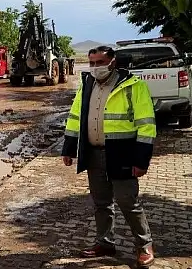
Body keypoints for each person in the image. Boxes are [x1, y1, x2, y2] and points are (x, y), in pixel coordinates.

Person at [62, 46, 156, 267]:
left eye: (100, 62)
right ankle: (105, 243)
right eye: (92, 63)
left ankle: (145, 245)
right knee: (101, 203)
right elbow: (75, 116)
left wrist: (141, 160)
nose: (95, 67)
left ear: (112, 62)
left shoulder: (133, 86)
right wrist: (68, 147)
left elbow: (146, 125)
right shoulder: (86, 85)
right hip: (94, 154)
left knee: (127, 201)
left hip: (122, 154)